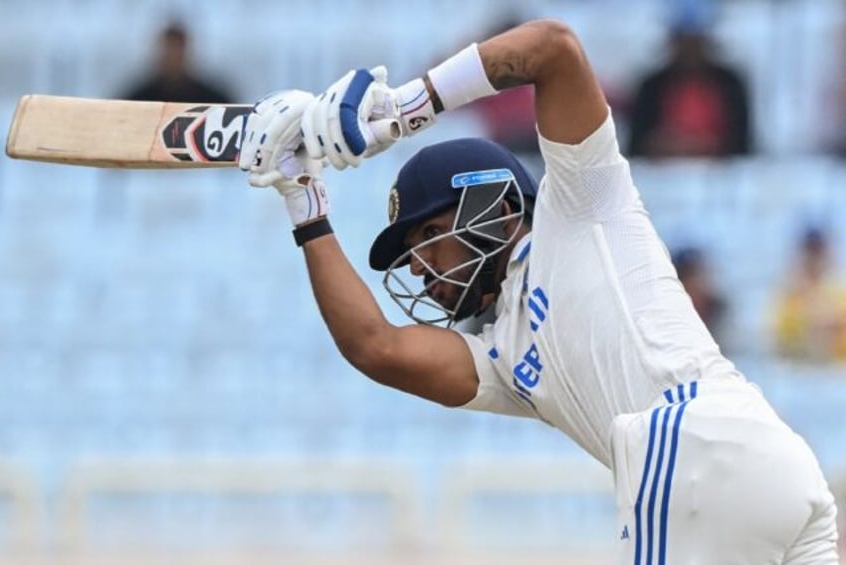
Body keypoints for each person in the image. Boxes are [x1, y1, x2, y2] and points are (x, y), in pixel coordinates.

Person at [238, 19, 840, 562]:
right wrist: (305, 203)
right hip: (777, 469)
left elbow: (552, 50)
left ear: (492, 204)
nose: (419, 268)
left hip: (692, 443)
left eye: (426, 235)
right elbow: (377, 347)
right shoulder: (500, 355)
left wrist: (404, 109)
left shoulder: (580, 204)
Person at [626, 3, 752, 158]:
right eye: (684, 40)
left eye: (695, 40)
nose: (689, 48)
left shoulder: (730, 84)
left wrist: (704, 147)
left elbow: (742, 143)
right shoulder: (651, 86)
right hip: (659, 176)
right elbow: (636, 144)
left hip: (721, 176)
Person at [773, 226, 846, 363]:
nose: (814, 259)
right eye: (810, 252)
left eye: (818, 251)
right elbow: (779, 342)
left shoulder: (840, 290)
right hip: (799, 372)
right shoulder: (788, 293)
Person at [122, 21, 233, 104]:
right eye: (169, 50)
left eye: (177, 51)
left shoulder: (213, 99)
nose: (173, 57)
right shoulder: (139, 99)